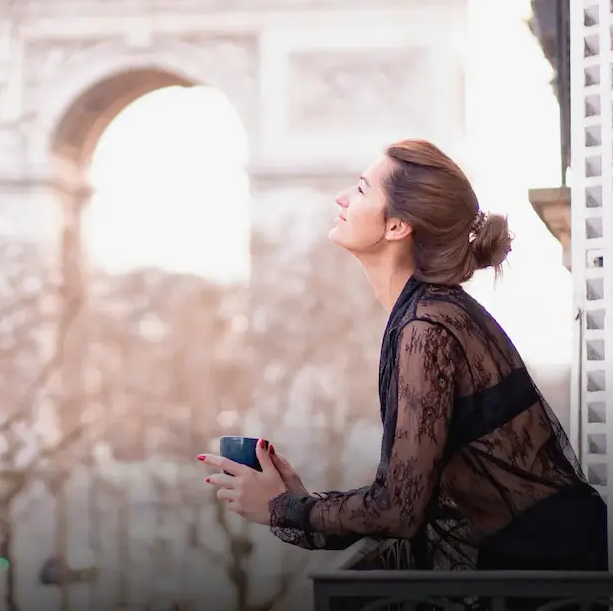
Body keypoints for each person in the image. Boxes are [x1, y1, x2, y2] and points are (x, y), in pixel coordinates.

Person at [197, 139, 608, 575]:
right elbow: (402, 495)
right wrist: (299, 502)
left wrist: (283, 508)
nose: (341, 198)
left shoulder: (428, 327)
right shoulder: (428, 314)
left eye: (359, 190)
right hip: (548, 574)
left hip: (556, 585)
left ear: (396, 226)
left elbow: (398, 509)